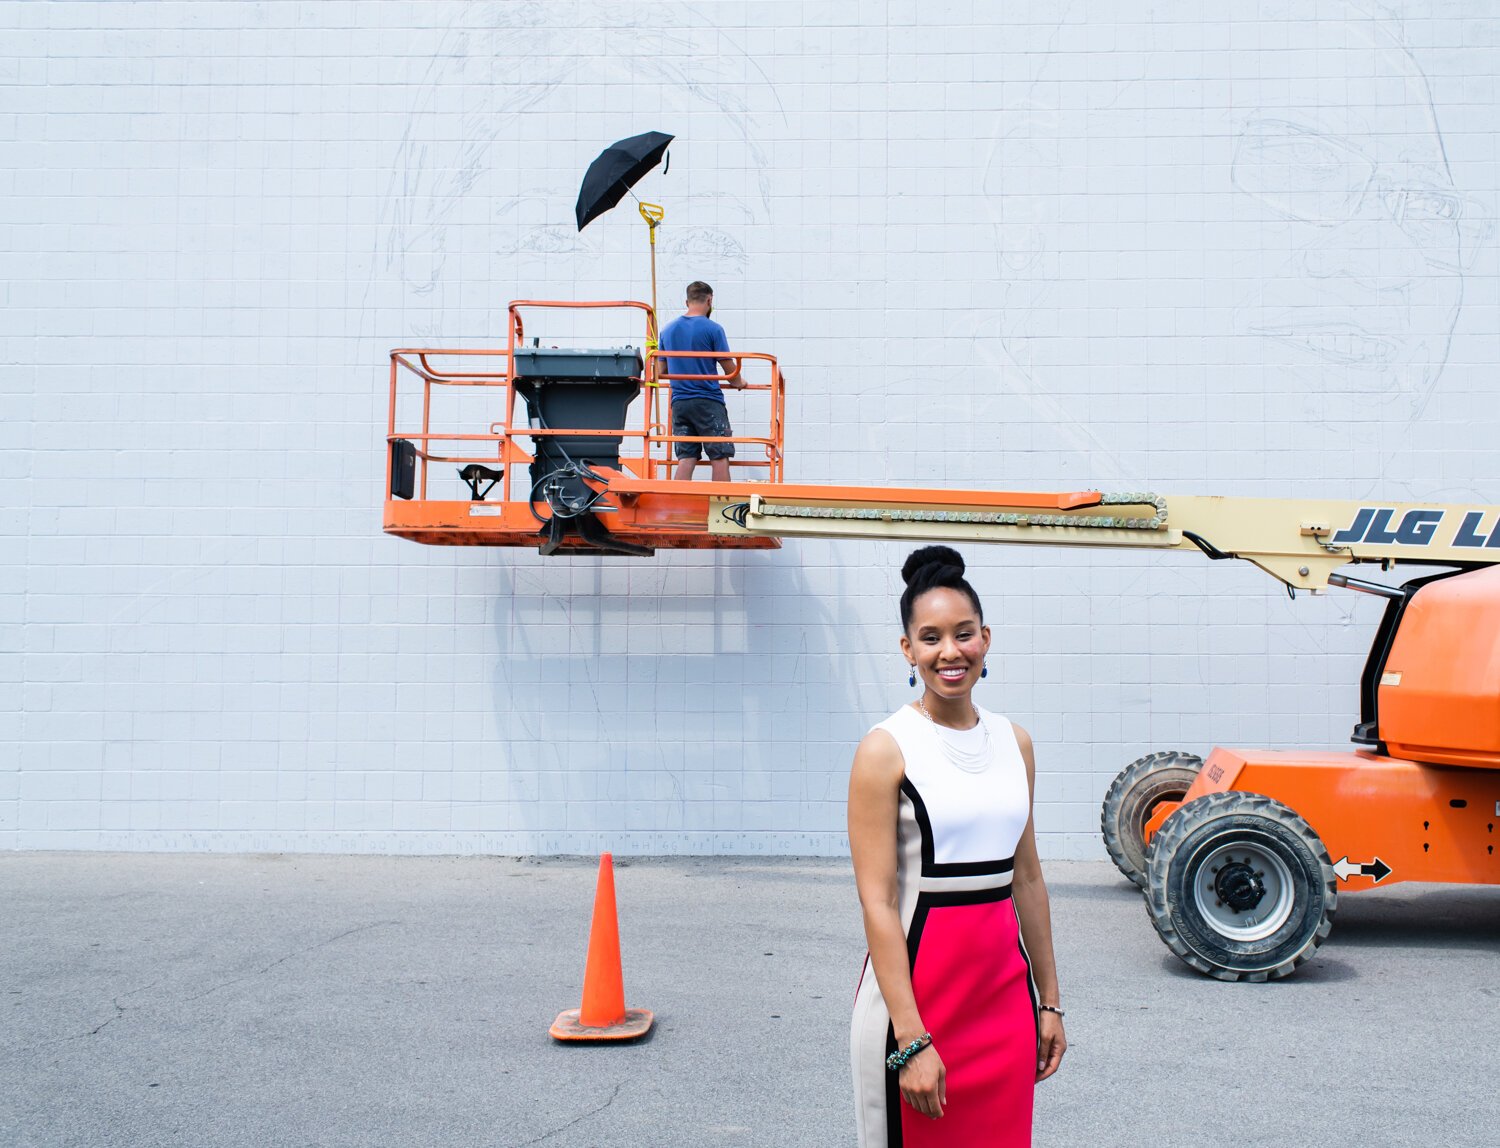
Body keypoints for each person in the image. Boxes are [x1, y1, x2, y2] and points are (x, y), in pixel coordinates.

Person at [848, 546, 1066, 1146]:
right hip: (917, 1012)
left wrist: (1049, 1004)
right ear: (908, 650)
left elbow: (1027, 881)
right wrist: (911, 1038)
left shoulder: (1013, 741)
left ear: (986, 638)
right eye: (931, 637)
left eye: (963, 634)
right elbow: (877, 903)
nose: (951, 652)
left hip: (1004, 1010)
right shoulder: (885, 748)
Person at [658, 281, 744, 481]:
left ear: (687, 301)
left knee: (686, 457)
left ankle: (678, 506)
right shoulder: (713, 329)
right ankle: (721, 508)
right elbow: (728, 368)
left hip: (679, 403)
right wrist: (739, 382)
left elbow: (661, 370)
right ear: (709, 300)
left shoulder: (668, 330)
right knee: (720, 455)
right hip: (708, 401)